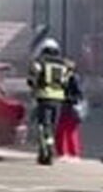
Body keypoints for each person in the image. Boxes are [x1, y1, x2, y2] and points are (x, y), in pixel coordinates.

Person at [27, 37, 77, 165]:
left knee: (44, 125)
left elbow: (32, 79)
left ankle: (45, 151)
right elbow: (68, 80)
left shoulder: (40, 62)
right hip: (58, 99)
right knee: (53, 126)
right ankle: (49, 146)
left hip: (44, 97)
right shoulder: (64, 64)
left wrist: (34, 86)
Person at [56, 71, 85, 161]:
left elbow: (79, 95)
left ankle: (70, 153)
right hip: (68, 108)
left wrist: (67, 98)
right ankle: (68, 153)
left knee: (68, 131)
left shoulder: (72, 79)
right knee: (66, 131)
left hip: (70, 108)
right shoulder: (68, 78)